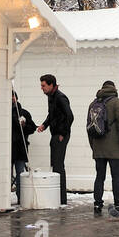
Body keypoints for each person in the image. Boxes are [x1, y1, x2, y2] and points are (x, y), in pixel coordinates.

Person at [87, 80, 119, 213]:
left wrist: (93, 146)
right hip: (114, 147)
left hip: (98, 147)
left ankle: (97, 204)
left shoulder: (93, 104)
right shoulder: (116, 102)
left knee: (100, 176)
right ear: (114, 89)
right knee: (117, 176)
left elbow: (89, 128)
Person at [37, 74, 74, 204]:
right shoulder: (51, 97)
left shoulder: (60, 97)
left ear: (51, 85)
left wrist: (62, 133)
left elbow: (70, 116)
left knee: (58, 166)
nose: (41, 88)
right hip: (55, 134)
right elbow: (51, 114)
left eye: (43, 85)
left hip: (60, 135)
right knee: (55, 164)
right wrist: (44, 125)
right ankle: (57, 196)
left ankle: (62, 199)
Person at [10, 91, 36, 201]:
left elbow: (32, 128)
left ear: (16, 98)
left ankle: (20, 198)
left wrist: (24, 126)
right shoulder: (3, 113)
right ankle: (4, 199)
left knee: (20, 173)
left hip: (20, 148)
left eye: (13, 96)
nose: (12, 98)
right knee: (6, 173)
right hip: (7, 149)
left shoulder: (23, 113)